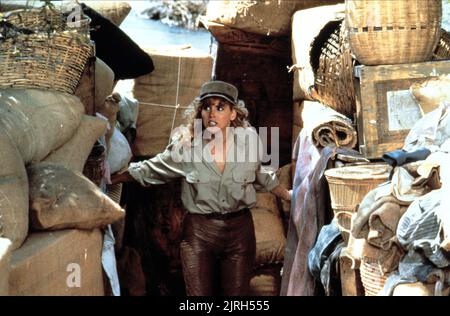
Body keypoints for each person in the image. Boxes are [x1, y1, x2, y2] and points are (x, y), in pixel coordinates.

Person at [111, 80, 291, 296]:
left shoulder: (249, 143)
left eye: (220, 107)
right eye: (207, 107)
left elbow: (262, 174)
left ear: (234, 114)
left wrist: (288, 195)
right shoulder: (187, 147)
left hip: (239, 232)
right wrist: (111, 178)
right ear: (200, 113)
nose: (212, 113)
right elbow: (151, 169)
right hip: (200, 232)